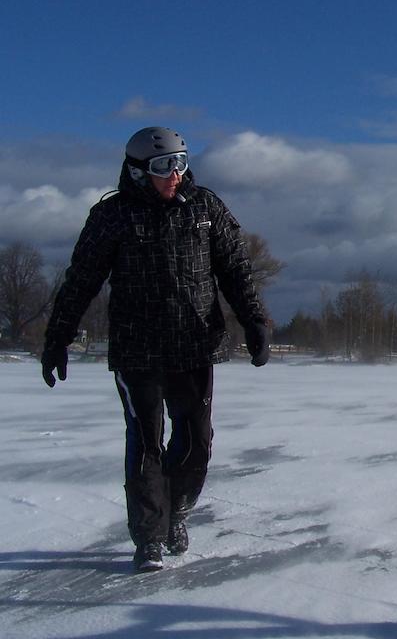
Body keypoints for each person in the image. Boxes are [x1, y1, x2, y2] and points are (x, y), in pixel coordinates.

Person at [40, 126, 271, 573]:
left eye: (182, 163)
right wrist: (57, 339)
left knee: (196, 442)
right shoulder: (114, 215)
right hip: (137, 349)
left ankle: (176, 514)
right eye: (165, 167)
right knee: (145, 441)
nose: (175, 175)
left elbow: (236, 269)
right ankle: (149, 536)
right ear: (138, 171)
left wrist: (255, 319)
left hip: (194, 344)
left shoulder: (205, 207)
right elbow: (81, 281)